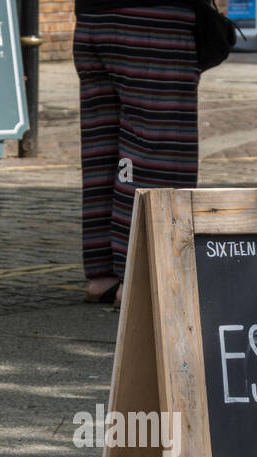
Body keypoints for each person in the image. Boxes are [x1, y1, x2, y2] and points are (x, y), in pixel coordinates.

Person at [74, 3, 200, 305]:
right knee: (157, 147)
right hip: (154, 20)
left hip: (94, 18)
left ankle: (103, 274)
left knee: (102, 146)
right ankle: (139, 275)